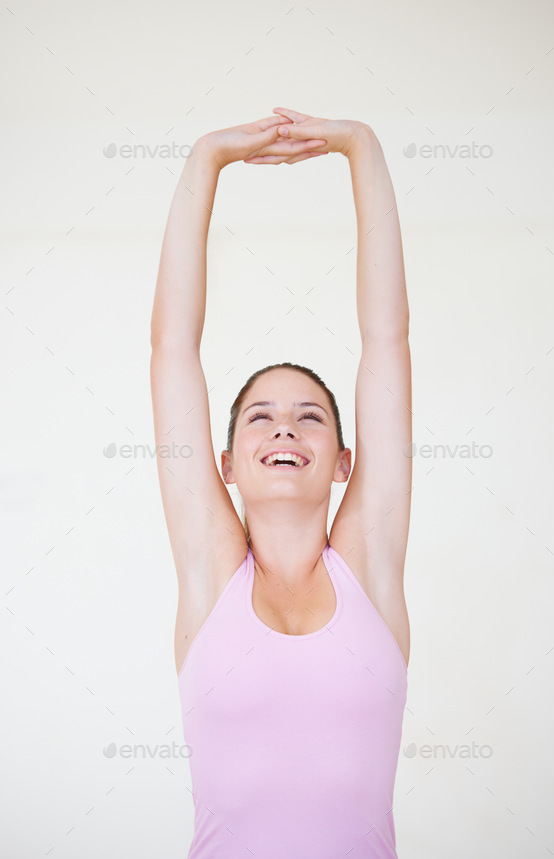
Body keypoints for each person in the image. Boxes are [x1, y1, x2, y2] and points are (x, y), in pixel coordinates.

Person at [150, 107, 412, 858]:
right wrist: (206, 158)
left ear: (346, 461)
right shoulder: (211, 579)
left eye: (309, 418)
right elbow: (172, 348)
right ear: (225, 464)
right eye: (260, 418)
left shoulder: (370, 569)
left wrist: (361, 145)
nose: (286, 429)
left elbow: (387, 340)